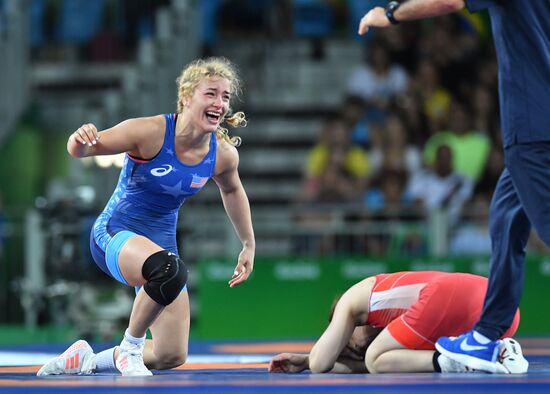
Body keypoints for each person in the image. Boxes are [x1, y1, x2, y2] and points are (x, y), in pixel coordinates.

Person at [358, 0, 550, 373]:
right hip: (536, 124)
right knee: (506, 225)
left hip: (531, 127)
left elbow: (449, 0)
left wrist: (391, 13)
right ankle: (484, 336)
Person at [37, 57, 256, 377]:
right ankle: (129, 346)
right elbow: (82, 150)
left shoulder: (221, 153)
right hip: (114, 234)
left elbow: (233, 191)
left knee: (171, 353)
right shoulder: (150, 131)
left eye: (225, 97)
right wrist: (79, 139)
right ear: (186, 97)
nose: (219, 103)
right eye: (210, 94)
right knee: (170, 270)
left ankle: (86, 359)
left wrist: (248, 244)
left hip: (160, 250)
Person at [268, 271, 528, 374]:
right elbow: (385, 363)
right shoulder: (411, 326)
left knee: (374, 358)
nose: (362, 345)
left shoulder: (350, 300)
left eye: (351, 343)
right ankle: (499, 351)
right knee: (378, 358)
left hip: (445, 294)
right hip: (504, 312)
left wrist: (307, 360)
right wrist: (305, 361)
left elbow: (320, 363)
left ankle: (456, 363)